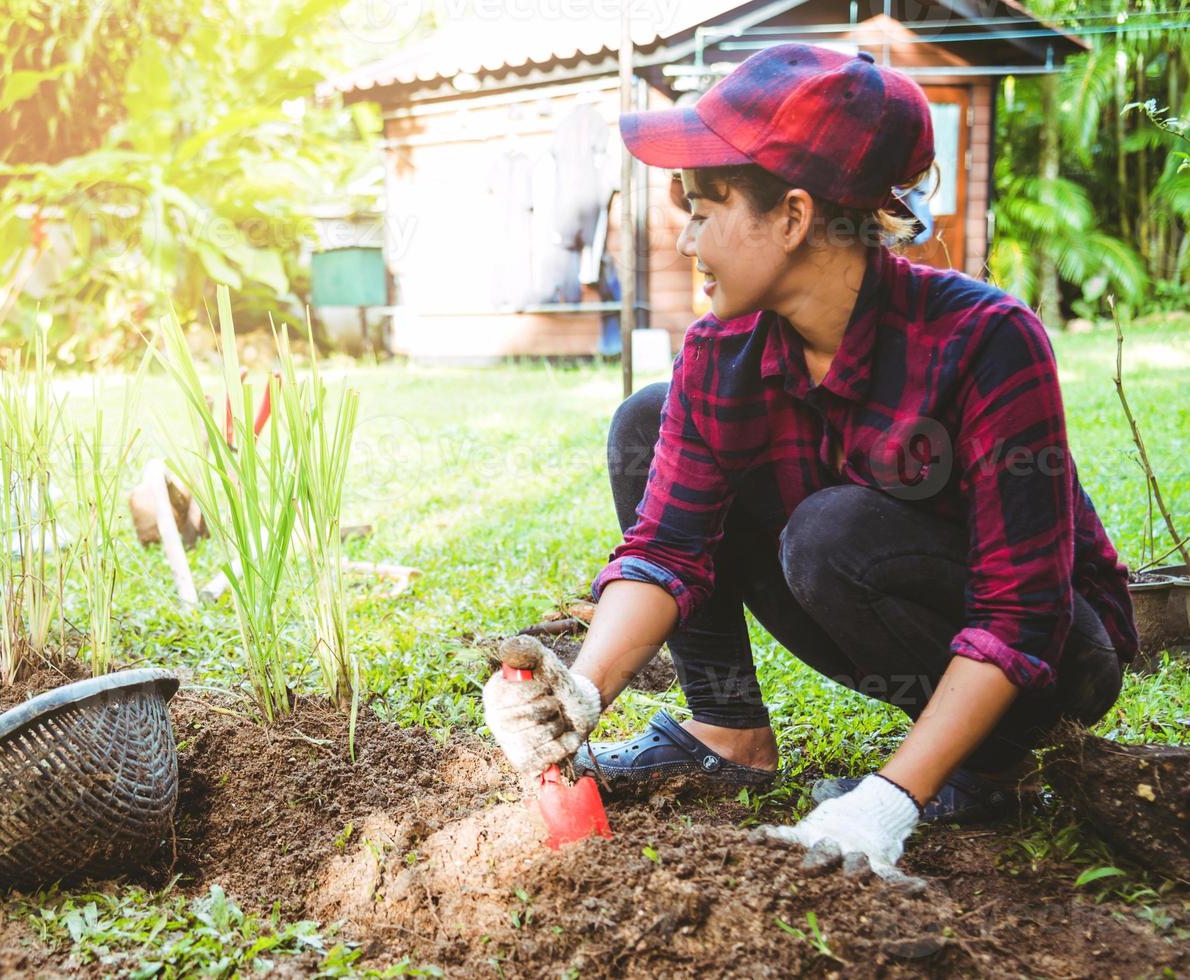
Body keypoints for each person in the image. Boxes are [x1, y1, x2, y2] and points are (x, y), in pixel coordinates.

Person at [483, 43, 1136, 889]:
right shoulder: (723, 351)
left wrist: (886, 800)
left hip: (1055, 656)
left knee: (833, 531)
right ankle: (726, 733)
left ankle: (983, 769)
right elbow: (667, 550)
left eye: (704, 209)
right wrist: (582, 691)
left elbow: (1024, 613)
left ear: (792, 218)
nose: (684, 239)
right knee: (646, 421)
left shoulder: (985, 341)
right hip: (880, 597)